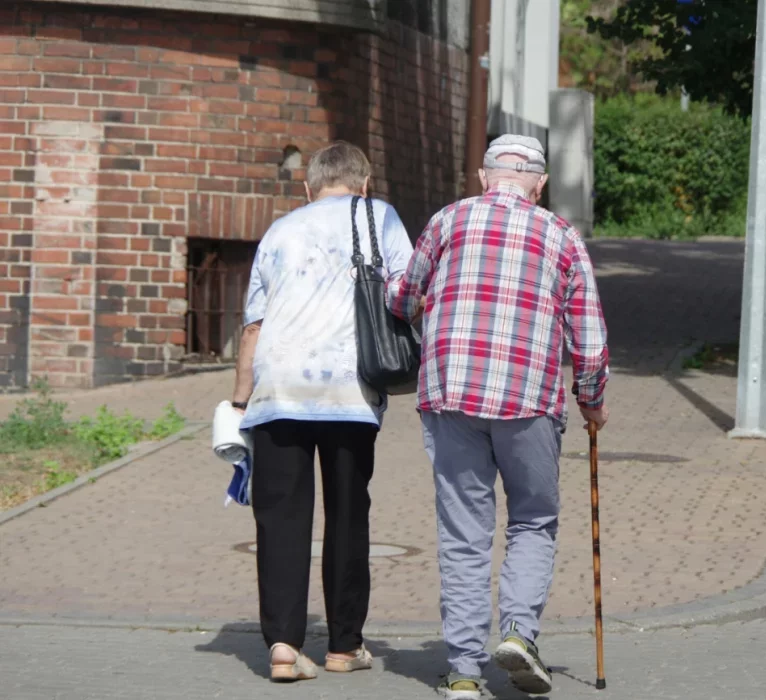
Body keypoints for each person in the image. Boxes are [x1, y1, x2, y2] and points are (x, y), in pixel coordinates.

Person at [388, 134, 610, 699]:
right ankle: (517, 633)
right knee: (533, 519)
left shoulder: (447, 220)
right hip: (529, 398)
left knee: (465, 532)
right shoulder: (561, 236)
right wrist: (592, 398)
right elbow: (588, 336)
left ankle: (463, 670)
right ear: (538, 185)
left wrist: (403, 296)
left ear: (485, 178)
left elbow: (404, 296)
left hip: (451, 392)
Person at [231, 141, 413, 682]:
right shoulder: (380, 216)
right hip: (348, 391)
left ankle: (284, 647)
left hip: (278, 388)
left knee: (281, 519)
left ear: (308, 188)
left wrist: (239, 400)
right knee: (348, 514)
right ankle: (344, 645)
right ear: (364, 182)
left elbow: (254, 327)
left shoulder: (281, 231)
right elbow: (408, 292)